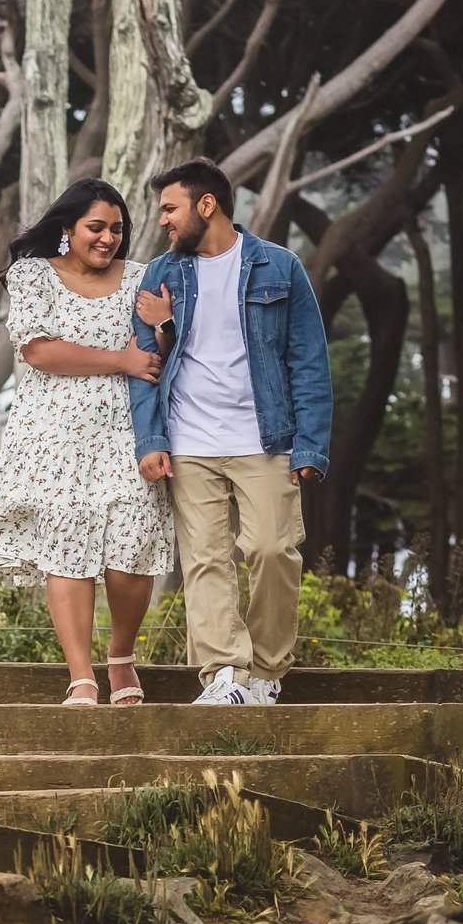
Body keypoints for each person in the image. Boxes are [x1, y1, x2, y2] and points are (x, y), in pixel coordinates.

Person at [128, 157, 334, 705]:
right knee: (205, 562)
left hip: (267, 439)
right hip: (190, 443)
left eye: (170, 209)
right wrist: (151, 441)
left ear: (206, 204)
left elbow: (309, 360)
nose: (163, 221)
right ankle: (222, 675)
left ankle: (265, 675)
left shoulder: (279, 267)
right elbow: (146, 365)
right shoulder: (161, 274)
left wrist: (310, 444)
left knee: (272, 549)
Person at [0, 179, 177, 705]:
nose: (108, 238)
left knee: (132, 543)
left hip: (129, 428)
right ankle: (81, 674)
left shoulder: (141, 278)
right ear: (67, 229)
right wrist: (122, 360)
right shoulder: (33, 276)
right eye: (96, 227)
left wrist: (164, 329)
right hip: (53, 435)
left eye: (117, 229)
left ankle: (121, 659)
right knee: (66, 542)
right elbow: (39, 351)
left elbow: (163, 354)